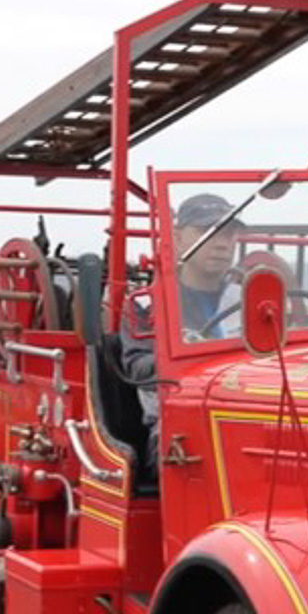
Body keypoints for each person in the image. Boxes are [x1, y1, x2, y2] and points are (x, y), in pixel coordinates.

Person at [118, 193, 247, 463]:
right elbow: (136, 367)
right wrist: (186, 355)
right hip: (174, 422)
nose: (222, 243)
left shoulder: (248, 300)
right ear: (177, 238)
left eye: (228, 233)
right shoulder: (147, 304)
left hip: (244, 411)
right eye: (206, 231)